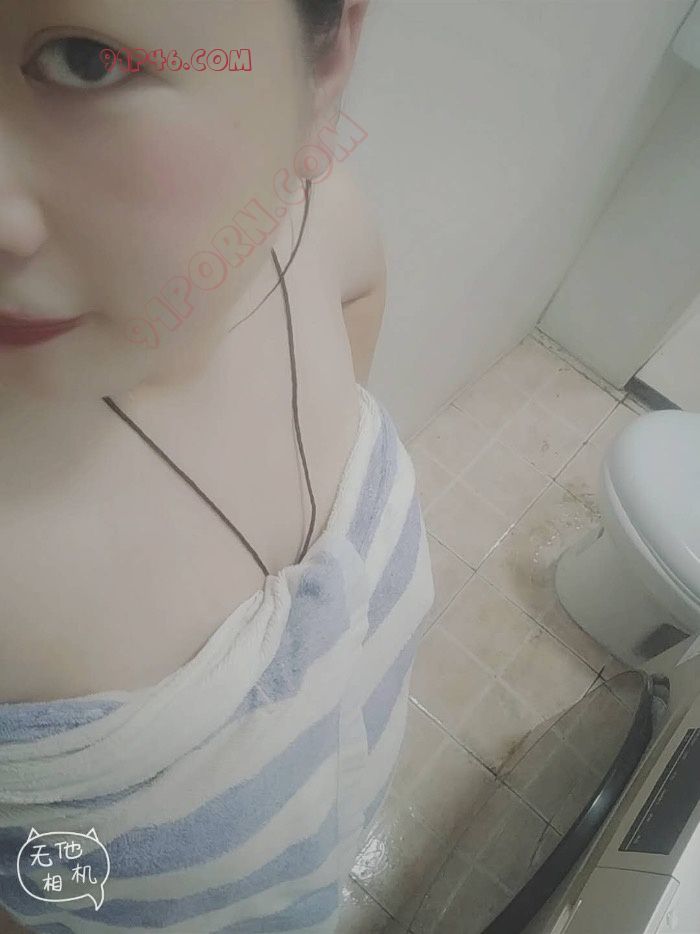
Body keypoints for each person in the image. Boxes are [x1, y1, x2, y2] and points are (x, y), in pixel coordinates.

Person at [0, 1, 435, 931]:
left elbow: (364, 284)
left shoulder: (320, 225)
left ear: (328, 57)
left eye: (83, 59)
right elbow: (43, 889)